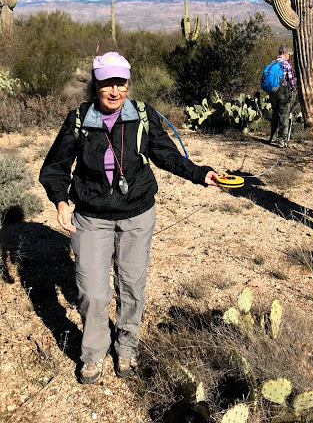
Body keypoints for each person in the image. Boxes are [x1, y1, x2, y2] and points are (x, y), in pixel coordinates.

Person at [39, 52, 219, 384]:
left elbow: (165, 154)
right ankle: (93, 353)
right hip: (91, 216)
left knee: (131, 285)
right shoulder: (78, 119)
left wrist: (200, 173)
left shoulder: (142, 115)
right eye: (106, 83)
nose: (114, 90)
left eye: (120, 83)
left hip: (137, 214)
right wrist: (61, 201)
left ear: (127, 83)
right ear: (96, 84)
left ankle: (126, 348)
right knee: (92, 291)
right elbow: (54, 167)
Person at [268, 44, 297, 148]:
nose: (289, 56)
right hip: (283, 91)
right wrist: (293, 88)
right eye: (289, 54)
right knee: (284, 115)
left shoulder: (272, 63)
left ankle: (272, 137)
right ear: (285, 54)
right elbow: (290, 79)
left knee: (275, 113)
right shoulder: (286, 64)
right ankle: (282, 140)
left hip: (272, 91)